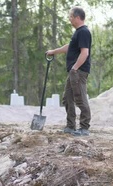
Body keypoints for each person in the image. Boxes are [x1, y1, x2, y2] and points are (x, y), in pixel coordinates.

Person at [46, 6, 92, 136]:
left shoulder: (83, 32)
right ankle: (70, 126)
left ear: (77, 17)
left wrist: (75, 68)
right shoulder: (78, 32)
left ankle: (84, 128)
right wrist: (53, 52)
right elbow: (69, 47)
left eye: (71, 17)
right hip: (74, 71)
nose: (69, 19)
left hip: (78, 71)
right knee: (67, 98)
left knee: (80, 98)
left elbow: (85, 53)